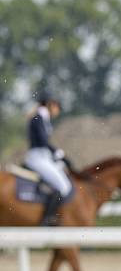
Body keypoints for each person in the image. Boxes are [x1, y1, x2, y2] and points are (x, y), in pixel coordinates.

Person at [24, 91, 72, 225]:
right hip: (37, 158)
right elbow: (43, 142)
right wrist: (60, 154)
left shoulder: (42, 118)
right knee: (63, 186)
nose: (58, 110)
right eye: (57, 106)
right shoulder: (38, 118)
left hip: (43, 157)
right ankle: (47, 219)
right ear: (51, 104)